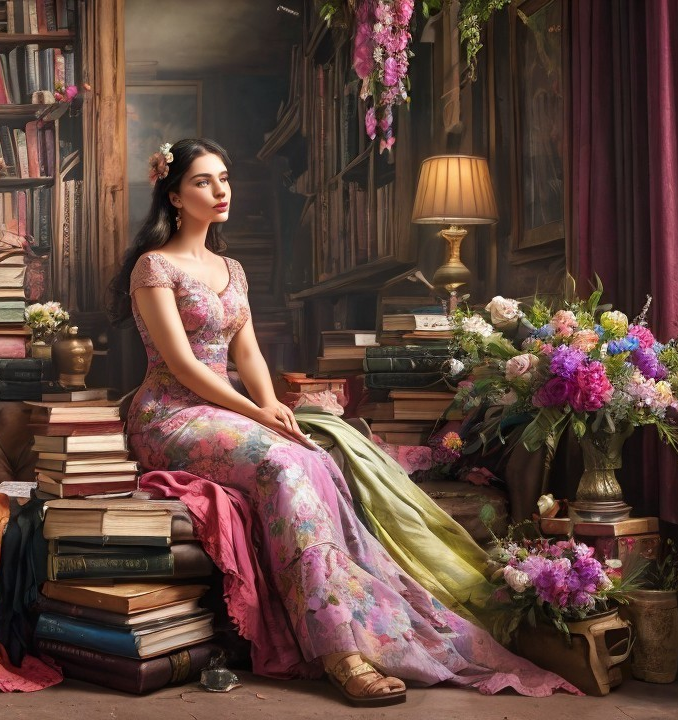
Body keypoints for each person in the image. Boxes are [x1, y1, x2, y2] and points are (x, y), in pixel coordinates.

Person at [107, 138, 575, 706]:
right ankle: (338, 650)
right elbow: (181, 364)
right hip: (171, 416)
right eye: (204, 181)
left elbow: (249, 354)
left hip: (225, 408)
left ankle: (359, 622)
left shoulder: (231, 269)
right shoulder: (153, 268)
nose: (220, 189)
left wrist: (273, 404)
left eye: (224, 177)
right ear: (174, 194)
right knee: (283, 464)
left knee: (314, 457)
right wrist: (257, 413)